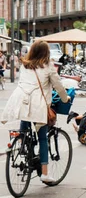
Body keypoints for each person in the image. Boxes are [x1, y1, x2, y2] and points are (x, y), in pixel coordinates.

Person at [1, 40, 70, 183]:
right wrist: (65, 99)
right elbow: (58, 85)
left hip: (21, 100)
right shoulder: (48, 66)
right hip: (37, 105)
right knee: (43, 138)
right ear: (46, 52)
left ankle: (19, 143)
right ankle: (44, 173)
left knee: (24, 127)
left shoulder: (25, 64)